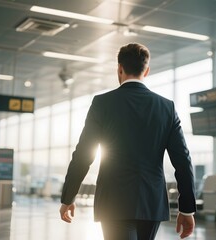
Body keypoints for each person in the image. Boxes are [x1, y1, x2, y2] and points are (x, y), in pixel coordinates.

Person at [59, 43, 196, 240]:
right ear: (146, 71)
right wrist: (187, 209)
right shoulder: (166, 107)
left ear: (119, 69)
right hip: (151, 201)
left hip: (113, 200)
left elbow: (83, 154)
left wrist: (68, 197)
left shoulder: (102, 103)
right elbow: (183, 160)